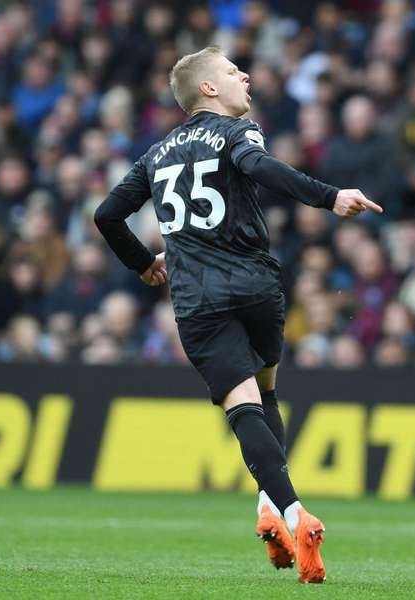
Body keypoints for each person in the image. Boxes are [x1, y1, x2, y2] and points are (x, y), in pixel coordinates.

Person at [94, 46, 382, 584]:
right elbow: (261, 169)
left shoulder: (155, 154)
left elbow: (107, 214)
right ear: (208, 89)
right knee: (266, 392)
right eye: (231, 71)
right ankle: (268, 510)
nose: (244, 75)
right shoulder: (236, 132)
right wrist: (329, 196)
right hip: (256, 286)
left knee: (243, 406)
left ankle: (295, 513)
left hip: (197, 299)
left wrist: (143, 263)